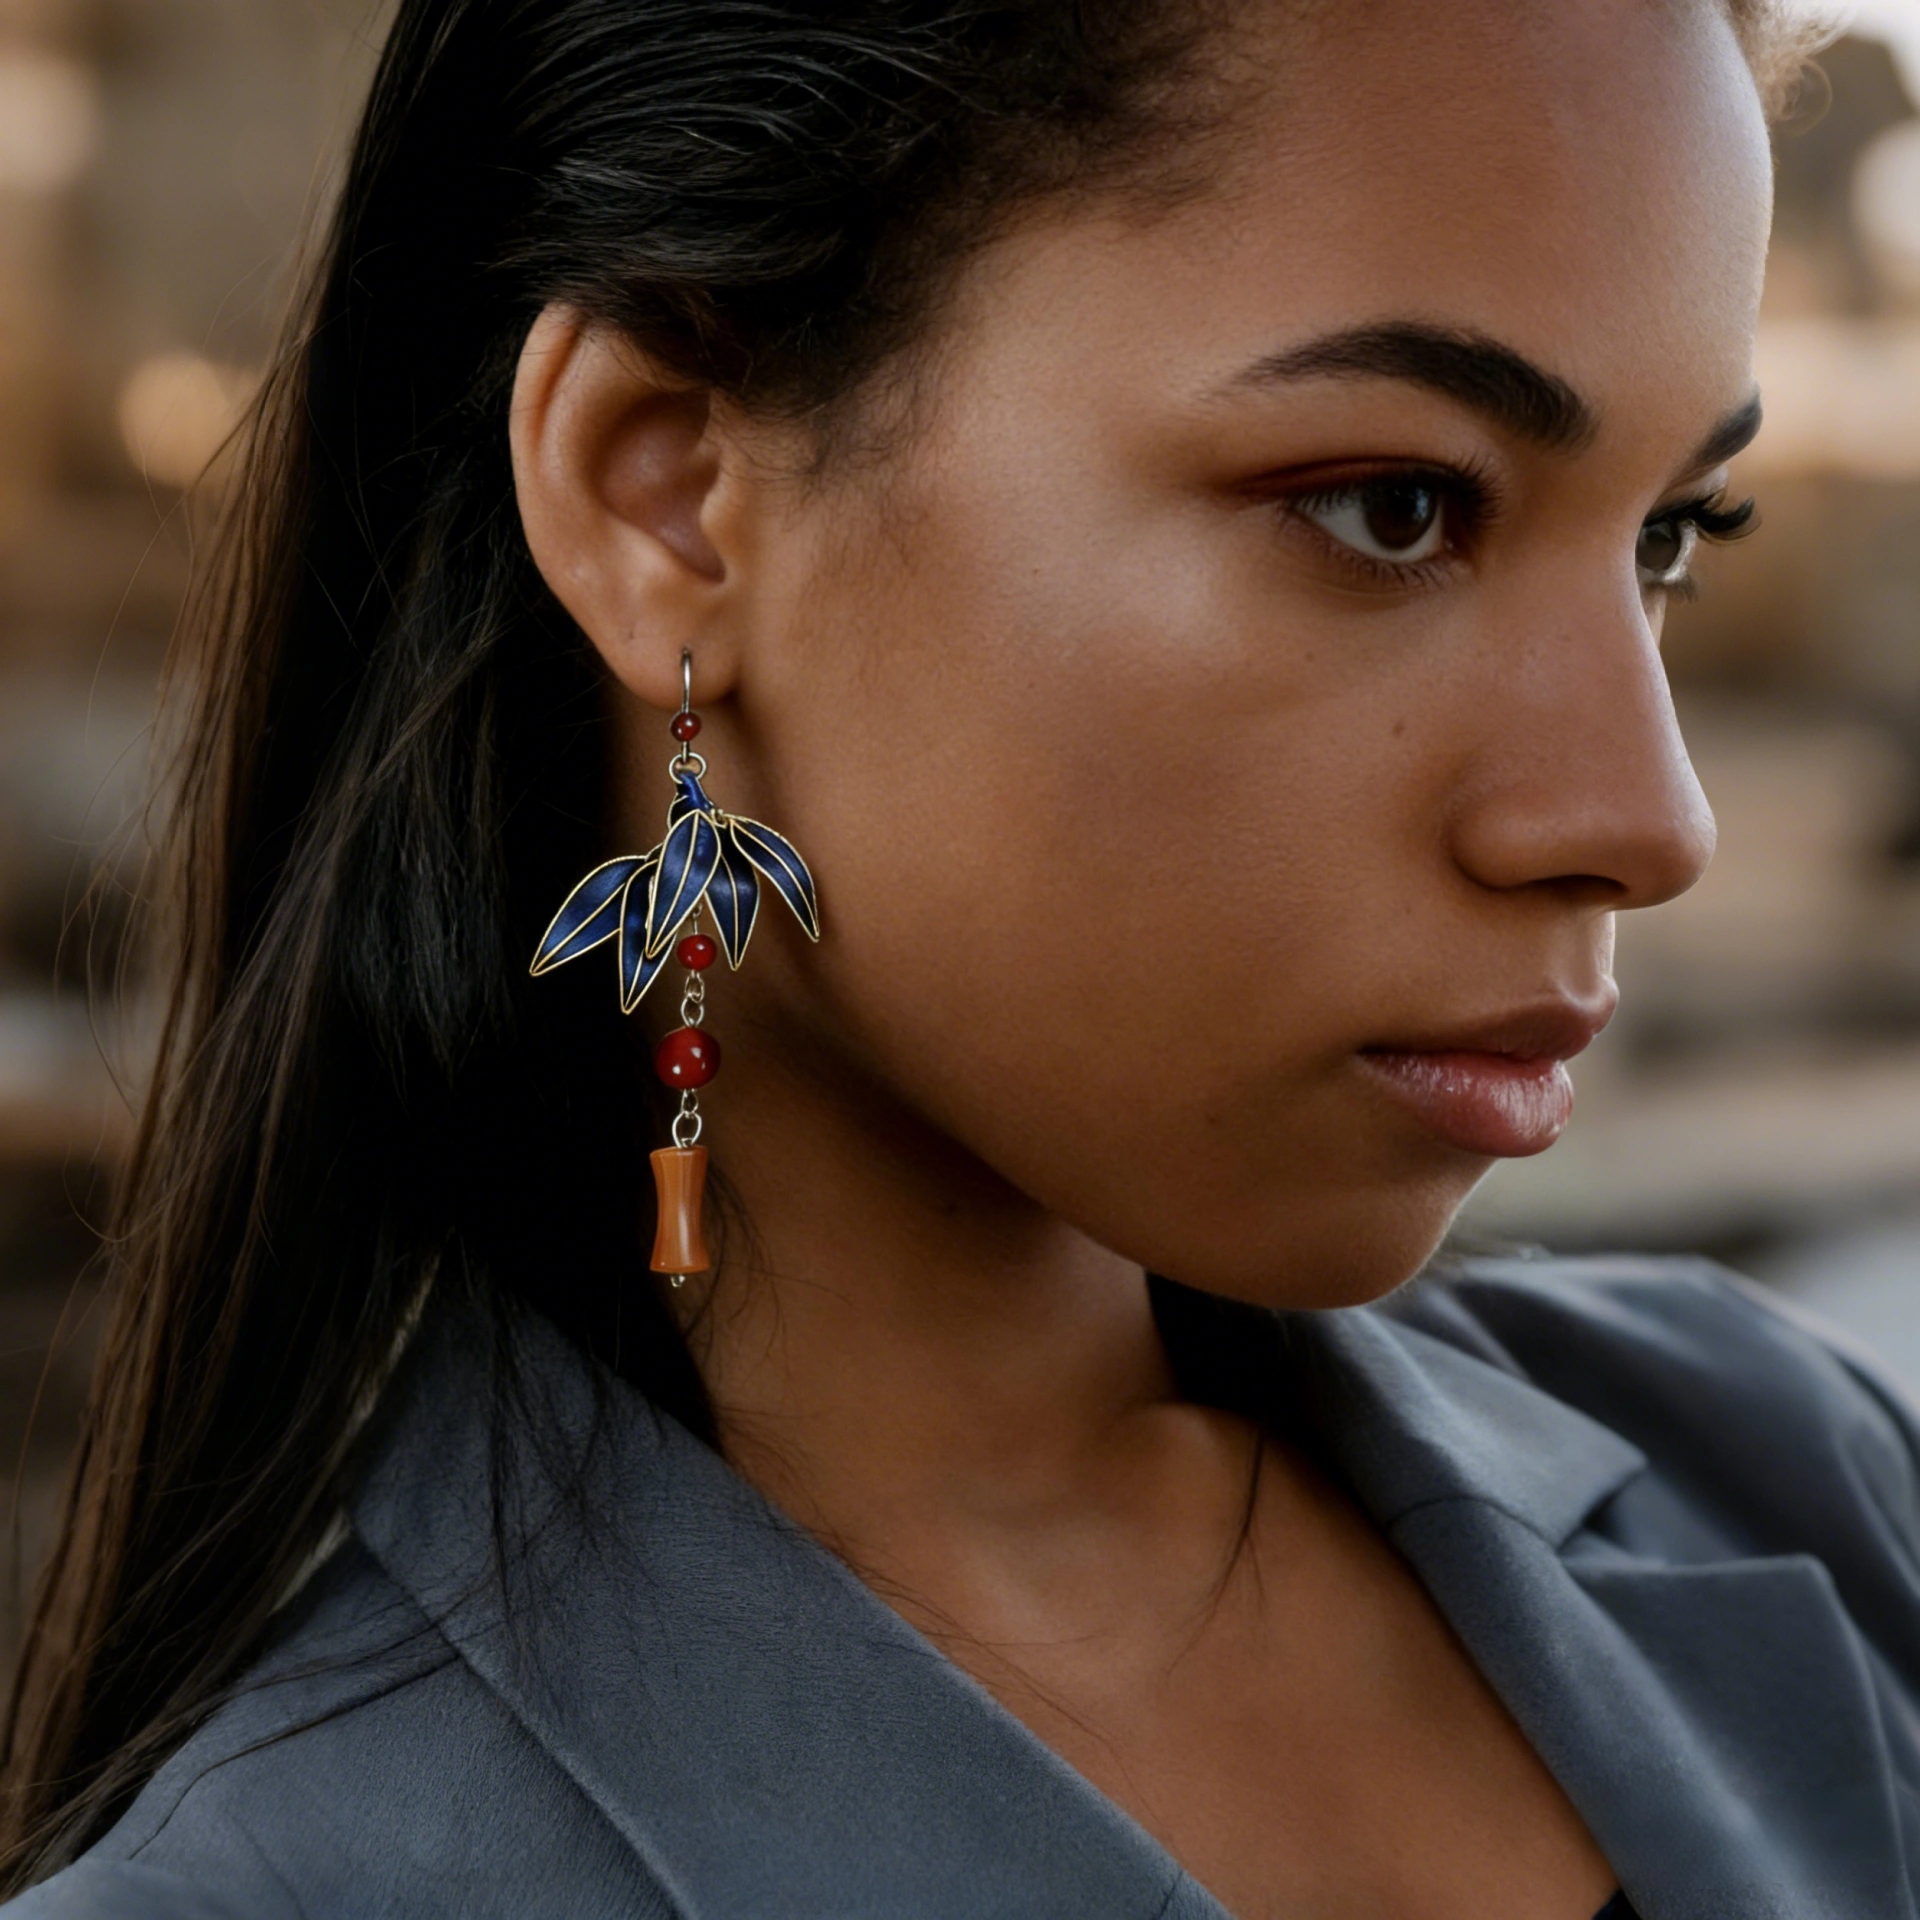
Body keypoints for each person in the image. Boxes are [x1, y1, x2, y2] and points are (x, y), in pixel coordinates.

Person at [1, 1, 1908, 1914]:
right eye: (1391, 508)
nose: (1647, 820)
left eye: (1672, 536)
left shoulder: (1810, 1487)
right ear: (666, 493)